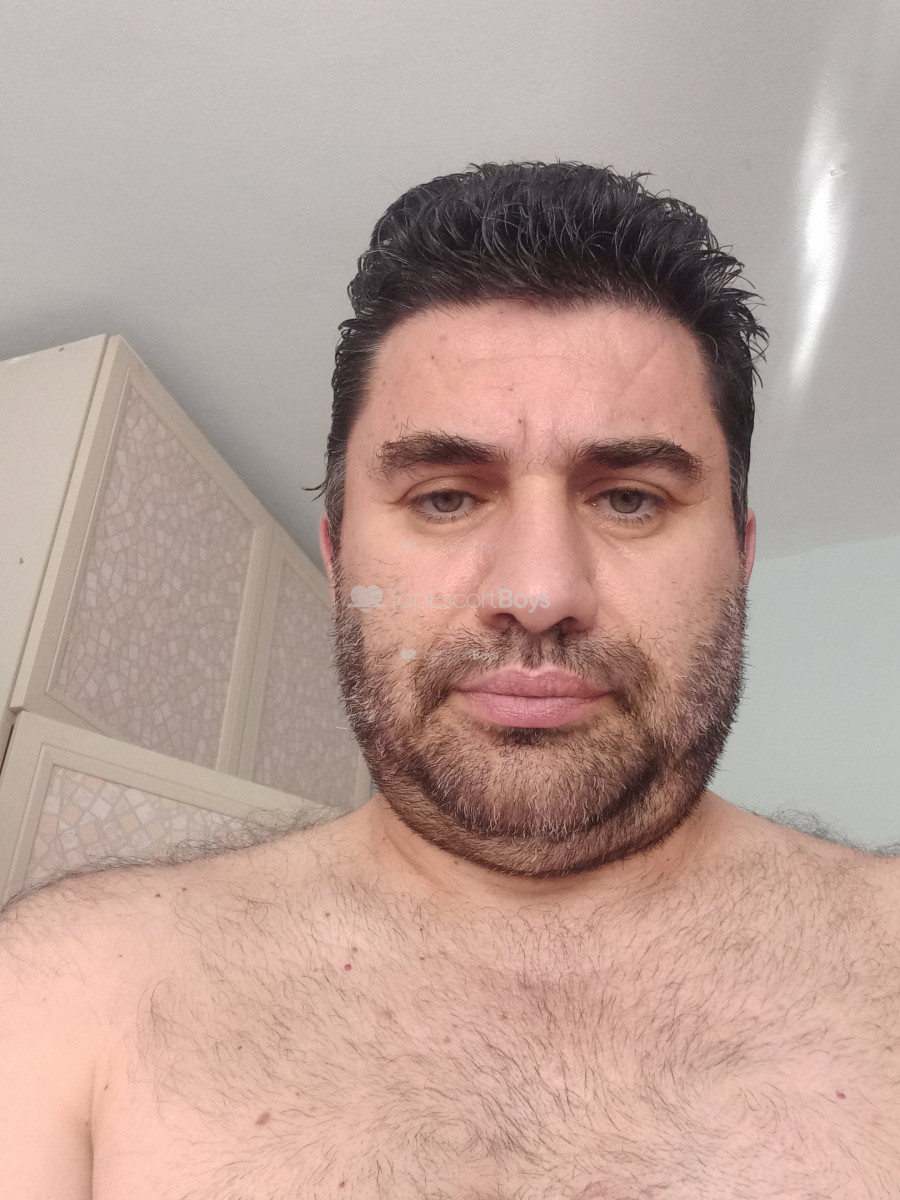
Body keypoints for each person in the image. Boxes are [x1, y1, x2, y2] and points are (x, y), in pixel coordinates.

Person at [2, 161, 898, 1199]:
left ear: (738, 558)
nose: (538, 593)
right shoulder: (70, 992)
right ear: (339, 560)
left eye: (630, 499)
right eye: (443, 498)